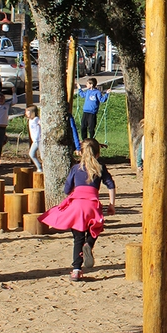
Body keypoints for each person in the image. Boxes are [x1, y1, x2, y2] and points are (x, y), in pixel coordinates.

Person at [39, 138, 116, 282]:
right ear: (98, 153)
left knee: (77, 238)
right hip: (92, 205)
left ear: (81, 153)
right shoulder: (100, 168)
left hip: (77, 205)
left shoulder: (75, 168)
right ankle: (89, 244)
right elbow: (110, 185)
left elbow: (67, 189)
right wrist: (112, 204)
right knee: (96, 227)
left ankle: (76, 270)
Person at [26, 105, 42, 173]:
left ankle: (41, 168)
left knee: (42, 156)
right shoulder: (30, 120)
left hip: (39, 140)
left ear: (32, 112)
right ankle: (39, 167)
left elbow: (42, 125)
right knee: (31, 154)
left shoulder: (36, 119)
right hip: (35, 141)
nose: (26, 113)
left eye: (28, 112)